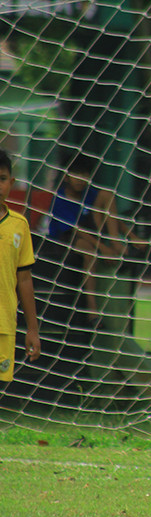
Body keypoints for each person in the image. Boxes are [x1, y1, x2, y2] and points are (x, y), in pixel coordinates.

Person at [45, 155, 146, 318]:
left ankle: (117, 245)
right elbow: (75, 230)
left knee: (106, 195)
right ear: (66, 176)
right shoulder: (60, 199)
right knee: (88, 250)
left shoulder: (89, 194)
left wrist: (131, 236)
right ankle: (92, 308)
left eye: (85, 175)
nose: (80, 179)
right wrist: (102, 249)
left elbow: (110, 215)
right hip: (67, 239)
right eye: (76, 175)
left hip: (92, 234)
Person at [0, 150, 41, 378]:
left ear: (11, 182)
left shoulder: (19, 225)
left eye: (2, 179)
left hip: (4, 325)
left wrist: (32, 329)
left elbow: (24, 279)